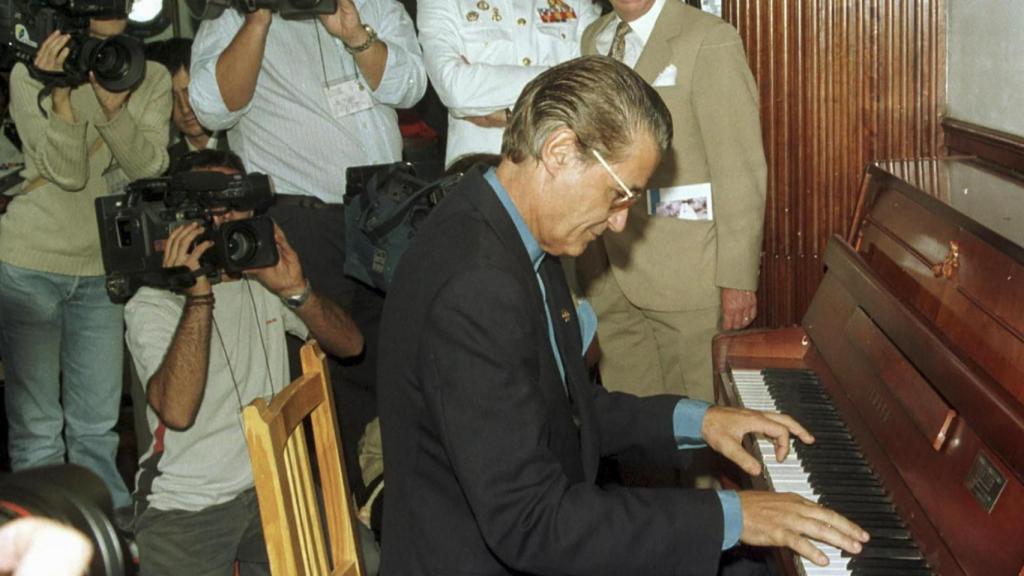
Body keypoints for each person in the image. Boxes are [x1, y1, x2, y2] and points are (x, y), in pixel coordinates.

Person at [377, 56, 867, 575]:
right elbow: (533, 524)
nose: (618, 222)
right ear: (560, 151)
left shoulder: (509, 229)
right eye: (619, 194)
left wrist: (700, 419)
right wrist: (733, 515)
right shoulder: (476, 286)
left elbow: (565, 410)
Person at [189, 0, 427, 498]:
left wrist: (355, 34)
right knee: (322, 375)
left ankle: (401, 502)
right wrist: (258, 16)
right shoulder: (232, 12)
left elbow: (411, 86)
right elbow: (211, 106)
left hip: (388, 210)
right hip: (302, 218)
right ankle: (337, 520)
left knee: (404, 363)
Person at [126, 150, 364, 575]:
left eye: (239, 204)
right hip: (188, 501)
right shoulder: (153, 302)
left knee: (365, 557)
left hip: (270, 484)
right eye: (216, 207)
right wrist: (198, 292)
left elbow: (350, 345)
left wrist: (299, 290)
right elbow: (177, 412)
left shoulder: (261, 277)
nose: (230, 219)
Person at [0, 17, 171, 514]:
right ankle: (46, 541)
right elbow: (69, 174)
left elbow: (148, 170)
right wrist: (59, 97)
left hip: (101, 268)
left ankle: (105, 539)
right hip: (28, 262)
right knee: (36, 429)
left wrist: (114, 113)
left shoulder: (150, 75)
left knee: (96, 426)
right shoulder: (29, 73)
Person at [576, 0, 767, 404]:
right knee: (637, 431)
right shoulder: (594, 38)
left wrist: (737, 279)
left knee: (701, 430)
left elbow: (740, 171)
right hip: (607, 274)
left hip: (690, 275)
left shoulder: (709, 39)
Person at [417, 0, 600, 167]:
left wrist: (508, 113)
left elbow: (596, 85)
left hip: (563, 167)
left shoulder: (577, 3)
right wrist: (566, 78)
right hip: (481, 173)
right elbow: (455, 88)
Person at [146, 38, 229, 169]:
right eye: (171, 97)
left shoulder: (244, 143)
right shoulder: (163, 166)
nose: (185, 108)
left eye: (189, 92)